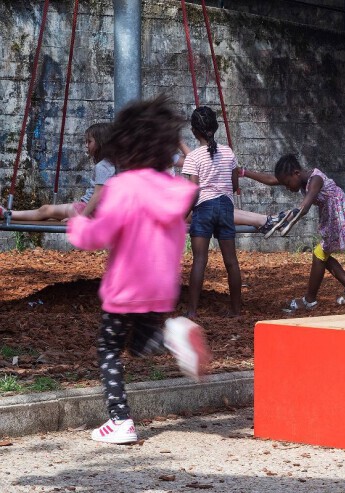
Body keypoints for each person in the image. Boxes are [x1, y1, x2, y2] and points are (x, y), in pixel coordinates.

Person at [66, 95, 210, 444]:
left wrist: (77, 224)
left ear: (124, 145)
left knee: (109, 349)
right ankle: (173, 336)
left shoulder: (123, 187)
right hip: (161, 288)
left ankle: (120, 421)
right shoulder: (174, 190)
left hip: (126, 286)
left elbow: (98, 235)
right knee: (141, 344)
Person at [242, 154, 345, 311]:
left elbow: (304, 207)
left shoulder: (316, 179)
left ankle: (309, 300)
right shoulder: (299, 178)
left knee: (319, 254)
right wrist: (243, 172)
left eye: (287, 183)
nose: (287, 188)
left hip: (340, 217)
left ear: (296, 173)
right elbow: (271, 179)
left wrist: (281, 220)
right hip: (333, 217)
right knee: (322, 254)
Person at [181, 106, 242, 318]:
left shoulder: (193, 157)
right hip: (225, 206)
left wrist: (183, 214)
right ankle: (236, 310)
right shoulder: (228, 152)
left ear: (193, 131)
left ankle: (192, 311)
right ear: (215, 128)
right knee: (231, 261)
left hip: (204, 208)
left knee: (200, 259)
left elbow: (193, 192)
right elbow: (234, 184)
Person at [1, 123, 114, 221]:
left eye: (89, 142)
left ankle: (7, 214)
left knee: (45, 210)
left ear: (101, 143)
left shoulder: (102, 166)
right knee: (47, 211)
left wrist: (81, 219)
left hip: (86, 211)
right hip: (94, 211)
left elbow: (97, 195)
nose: (86, 145)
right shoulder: (112, 164)